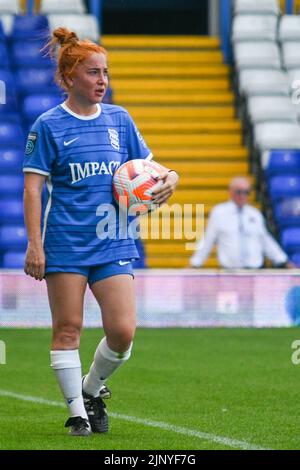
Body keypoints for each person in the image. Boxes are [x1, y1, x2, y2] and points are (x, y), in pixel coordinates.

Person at [23, 27, 179, 436]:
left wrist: (172, 177)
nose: (102, 81)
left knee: (123, 332)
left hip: (114, 239)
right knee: (68, 328)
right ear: (70, 76)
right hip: (65, 241)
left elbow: (152, 167)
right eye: (93, 72)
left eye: (105, 72)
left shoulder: (119, 119)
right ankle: (77, 414)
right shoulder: (48, 125)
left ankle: (92, 390)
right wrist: (35, 245)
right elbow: (32, 190)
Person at [189, 176, 294, 269]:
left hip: (254, 272)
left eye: (246, 192)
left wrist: (283, 261)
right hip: (230, 272)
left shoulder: (255, 214)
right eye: (239, 192)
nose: (243, 196)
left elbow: (265, 240)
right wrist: (195, 263)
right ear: (230, 191)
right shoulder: (219, 213)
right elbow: (208, 240)